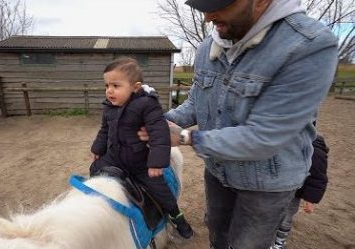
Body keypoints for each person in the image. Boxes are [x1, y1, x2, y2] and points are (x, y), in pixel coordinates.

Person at [138, 0, 338, 248]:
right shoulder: (208, 47)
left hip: (267, 183)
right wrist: (159, 122)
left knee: (248, 243)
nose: (208, 17)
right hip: (218, 171)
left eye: (219, 5)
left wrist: (187, 138)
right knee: (217, 233)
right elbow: (195, 104)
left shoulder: (308, 44)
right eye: (203, 8)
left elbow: (266, 135)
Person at [89, 57, 194, 239]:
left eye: (115, 85)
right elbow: (105, 130)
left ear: (135, 87)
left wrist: (156, 162)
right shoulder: (109, 107)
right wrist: (98, 149)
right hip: (115, 157)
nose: (109, 91)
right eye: (107, 86)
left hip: (141, 163)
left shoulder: (147, 105)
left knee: (162, 191)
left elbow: (159, 134)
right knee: (94, 170)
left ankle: (177, 217)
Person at [271, 134, 329, 249]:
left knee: (286, 217)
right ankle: (269, 238)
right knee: (270, 215)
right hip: (275, 189)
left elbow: (318, 178)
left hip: (294, 192)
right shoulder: (282, 142)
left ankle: (279, 243)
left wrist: (310, 199)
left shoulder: (315, 151)